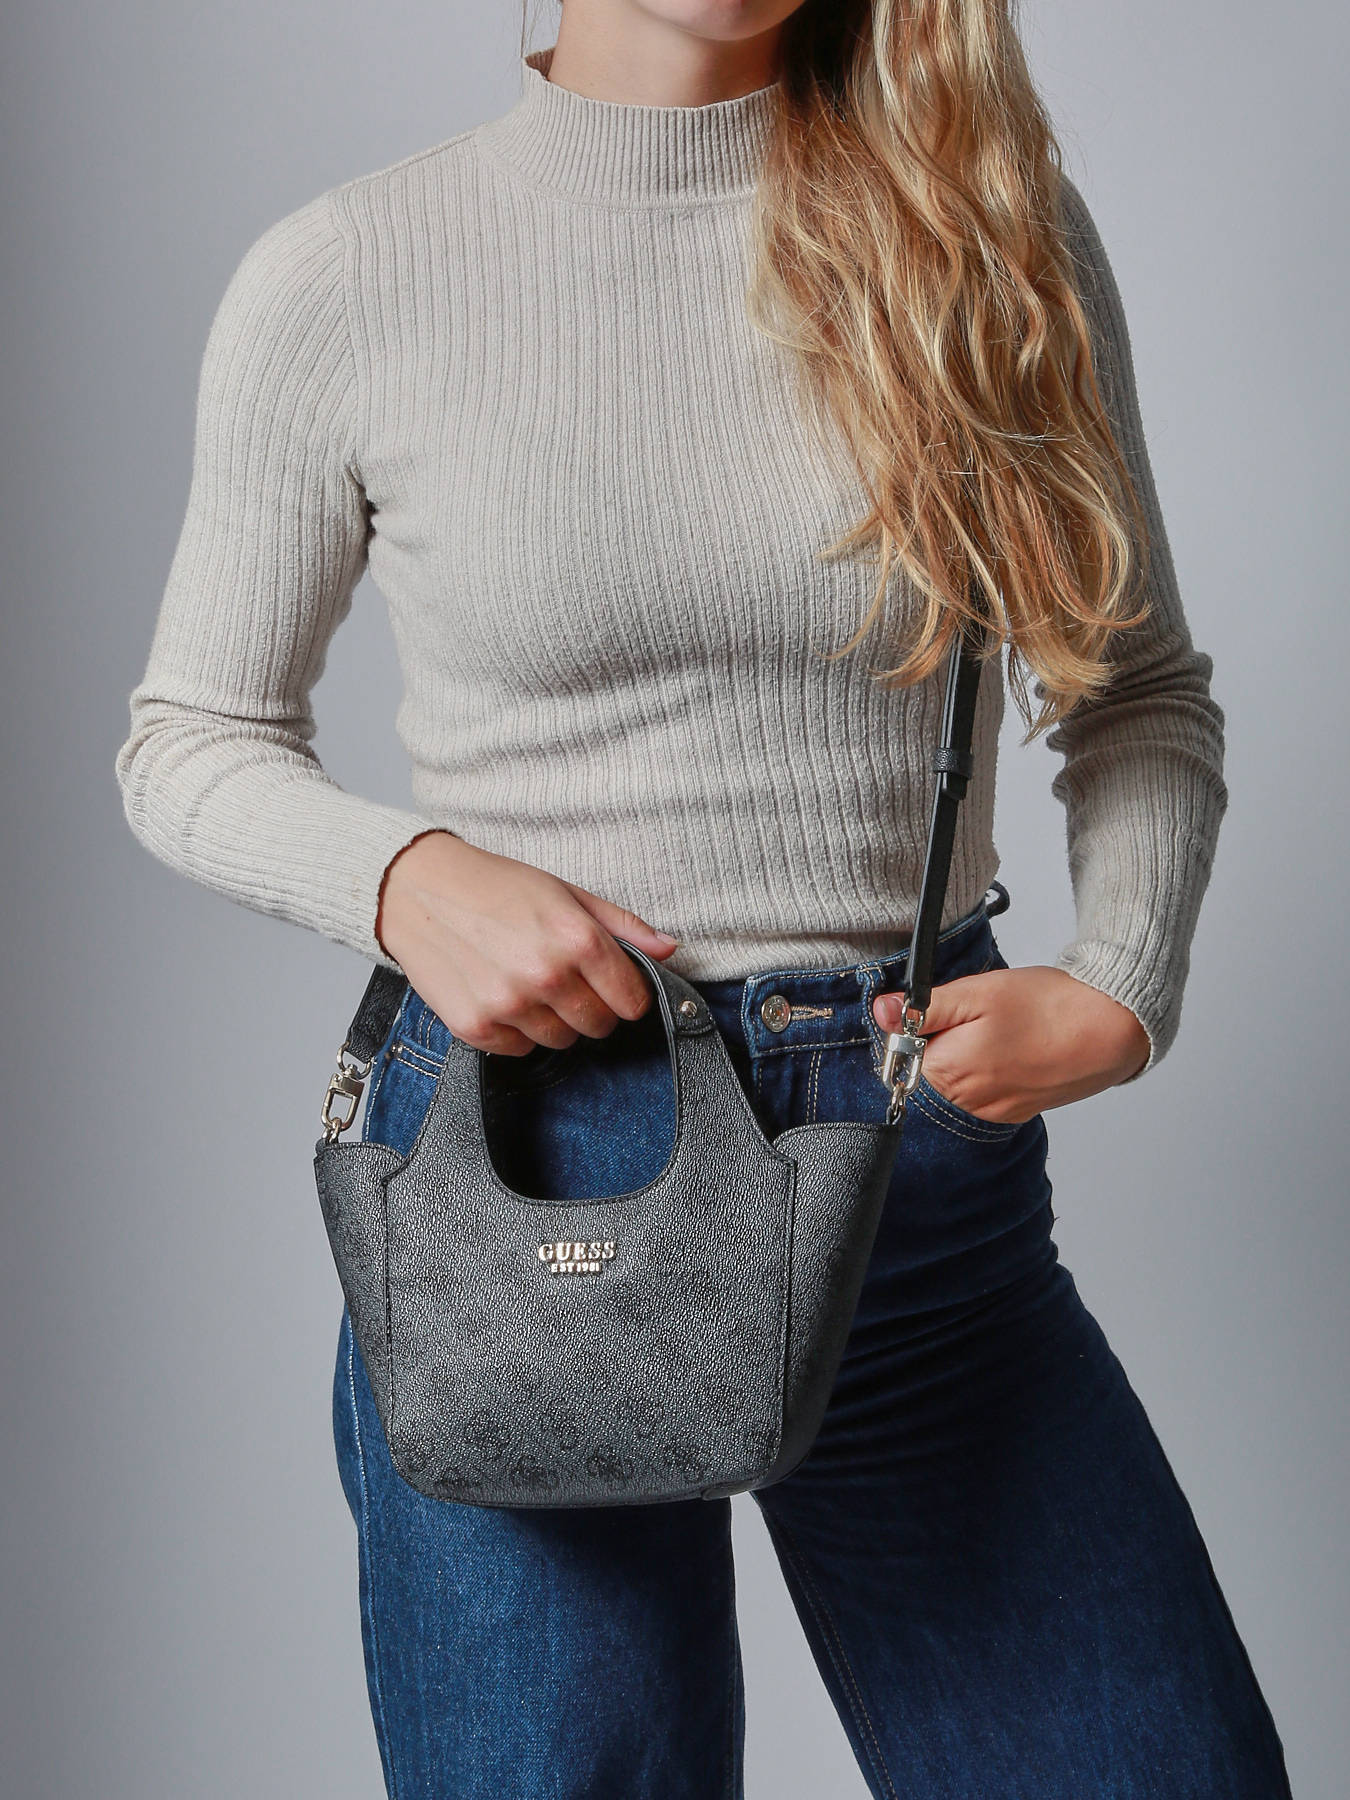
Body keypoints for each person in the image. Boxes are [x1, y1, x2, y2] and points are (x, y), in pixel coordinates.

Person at [115, 2, 1293, 1794]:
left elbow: (1132, 690)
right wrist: (409, 880)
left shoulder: (978, 225)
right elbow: (190, 743)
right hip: (528, 1175)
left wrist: (1121, 979)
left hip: (907, 1162)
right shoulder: (348, 274)